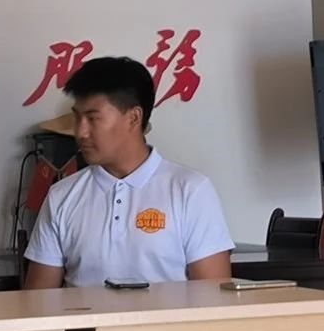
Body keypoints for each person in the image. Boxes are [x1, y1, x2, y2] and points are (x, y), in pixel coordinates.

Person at [23, 56, 233, 288]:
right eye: (78, 118)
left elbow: (213, 296)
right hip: (84, 314)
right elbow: (39, 300)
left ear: (134, 118)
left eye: (93, 118)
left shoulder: (191, 191)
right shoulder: (61, 196)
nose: (81, 132)